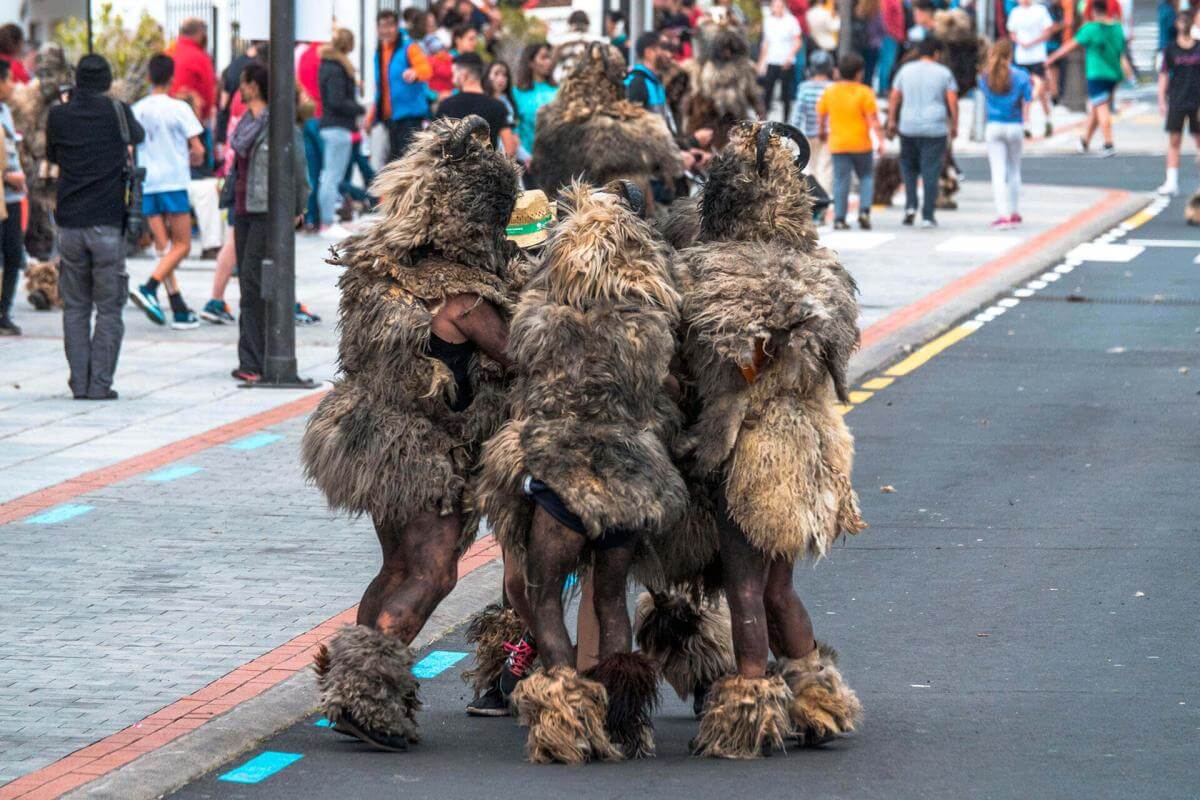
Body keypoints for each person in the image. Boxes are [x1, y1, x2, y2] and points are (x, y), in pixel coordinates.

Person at [302, 115, 522, 753]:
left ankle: (347, 686)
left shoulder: (378, 268)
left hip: (367, 437)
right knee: (434, 572)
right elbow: (521, 357)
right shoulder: (463, 294)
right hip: (424, 451)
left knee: (393, 564)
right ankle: (368, 697)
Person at [477, 180, 685, 763]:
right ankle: (623, 722)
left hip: (563, 474)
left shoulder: (543, 318)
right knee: (612, 599)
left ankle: (567, 718)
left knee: (545, 600)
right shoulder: (645, 322)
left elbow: (523, 372)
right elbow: (666, 386)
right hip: (627, 475)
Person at [675, 121, 865, 759]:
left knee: (745, 586)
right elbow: (837, 360)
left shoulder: (715, 275)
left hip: (752, 448)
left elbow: (730, 366)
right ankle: (817, 699)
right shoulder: (823, 271)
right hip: (810, 446)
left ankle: (751, 703)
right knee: (780, 584)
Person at [46, 54, 145, 400]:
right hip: (107, 224)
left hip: (70, 224)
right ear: (106, 82)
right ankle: (100, 384)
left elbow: (53, 156)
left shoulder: (58, 115)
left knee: (74, 307)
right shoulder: (117, 111)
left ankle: (79, 383)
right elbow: (139, 135)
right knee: (108, 307)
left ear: (76, 80)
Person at [227, 63, 309, 383]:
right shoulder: (246, 122)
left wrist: (299, 206)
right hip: (242, 208)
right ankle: (249, 359)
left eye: (244, 83)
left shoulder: (279, 125)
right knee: (247, 285)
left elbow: (299, 167)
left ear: (254, 87)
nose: (240, 88)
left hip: (266, 211)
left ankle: (258, 359)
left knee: (254, 280)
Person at [129, 54, 205, 329]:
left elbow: (129, 148)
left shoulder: (137, 109)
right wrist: (193, 158)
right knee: (182, 246)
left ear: (149, 76)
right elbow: (197, 149)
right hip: (173, 181)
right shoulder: (179, 108)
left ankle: (178, 306)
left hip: (148, 183)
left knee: (165, 249)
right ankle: (149, 287)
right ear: (172, 78)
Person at [887, 37, 958, 227]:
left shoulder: (905, 70)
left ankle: (910, 206)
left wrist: (892, 121)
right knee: (931, 170)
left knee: (908, 169)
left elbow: (894, 97)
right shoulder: (944, 73)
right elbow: (952, 100)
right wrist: (955, 125)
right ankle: (927, 214)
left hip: (908, 126)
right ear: (936, 53)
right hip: (935, 128)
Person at [1047, 0, 1126, 158]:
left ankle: (1108, 143)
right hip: (1113, 74)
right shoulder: (1117, 28)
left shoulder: (1090, 29)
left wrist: (1051, 58)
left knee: (1101, 108)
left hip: (1096, 73)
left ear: (1094, 11)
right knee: (1098, 108)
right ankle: (1084, 141)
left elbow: (1071, 45)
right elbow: (1122, 50)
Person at [818, 52, 885, 230]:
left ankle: (840, 218)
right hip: (861, 143)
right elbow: (873, 120)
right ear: (859, 73)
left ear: (839, 71)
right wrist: (880, 141)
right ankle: (864, 212)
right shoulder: (865, 92)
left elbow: (821, 114)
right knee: (866, 177)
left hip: (838, 143)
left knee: (841, 180)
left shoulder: (830, 91)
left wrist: (822, 131)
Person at [977, 40, 1032, 228]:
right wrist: (1027, 123)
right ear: (1011, 55)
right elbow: (1027, 101)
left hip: (994, 126)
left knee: (998, 172)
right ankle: (1015, 212)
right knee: (1014, 170)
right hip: (1015, 125)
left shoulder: (985, 77)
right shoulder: (1022, 76)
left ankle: (1003, 215)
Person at [318, 29, 364, 236]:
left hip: (332, 125)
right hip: (337, 126)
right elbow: (337, 100)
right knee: (331, 176)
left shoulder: (328, 65)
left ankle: (328, 220)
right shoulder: (337, 68)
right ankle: (327, 223)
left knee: (330, 175)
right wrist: (360, 109)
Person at [371, 9, 432, 161]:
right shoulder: (379, 52)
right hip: (390, 120)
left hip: (409, 118)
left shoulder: (409, 47)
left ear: (397, 26)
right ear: (378, 29)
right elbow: (382, 89)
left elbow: (426, 70)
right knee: (392, 163)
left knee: (407, 163)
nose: (386, 30)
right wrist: (372, 115)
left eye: (390, 26)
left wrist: (415, 73)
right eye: (382, 26)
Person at [435, 53, 517, 156]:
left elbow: (436, 145)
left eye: (454, 73)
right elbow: (510, 148)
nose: (453, 79)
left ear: (463, 74)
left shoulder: (446, 105)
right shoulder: (498, 106)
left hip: (453, 170)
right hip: (487, 169)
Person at [1155, 7, 1200, 196]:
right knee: (1174, 139)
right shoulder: (1171, 49)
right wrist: (1161, 99)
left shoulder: (1199, 46)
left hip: (1197, 100)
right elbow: (1164, 75)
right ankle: (1171, 181)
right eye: (1181, 21)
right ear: (1176, 24)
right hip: (1177, 99)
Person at [1007, 0, 1057, 137]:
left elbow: (1048, 31)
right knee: (1026, 90)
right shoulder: (1015, 12)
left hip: (1037, 55)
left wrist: (1032, 42)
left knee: (1040, 89)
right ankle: (1027, 123)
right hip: (1022, 57)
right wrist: (1021, 42)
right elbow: (1012, 32)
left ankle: (1046, 119)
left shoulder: (1040, 10)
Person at [0, 60, 24, 335]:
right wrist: (7, 177)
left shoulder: (5, 109)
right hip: (3, 191)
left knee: (13, 253)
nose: (13, 85)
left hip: (13, 197)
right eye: (8, 79)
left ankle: (4, 310)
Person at [791, 49, 835, 193]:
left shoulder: (804, 87)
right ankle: (824, 199)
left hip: (808, 134)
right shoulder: (832, 88)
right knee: (826, 169)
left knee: (811, 168)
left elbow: (798, 114)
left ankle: (812, 199)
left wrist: (792, 133)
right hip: (828, 135)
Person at [758, 0, 803, 122]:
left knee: (786, 94)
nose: (778, 8)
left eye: (780, 6)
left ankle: (786, 120)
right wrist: (762, 62)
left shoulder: (791, 20)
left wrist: (790, 56)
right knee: (768, 92)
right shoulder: (768, 21)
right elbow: (766, 42)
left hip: (786, 61)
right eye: (775, 6)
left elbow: (798, 40)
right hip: (772, 60)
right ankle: (764, 118)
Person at [512, 43, 557, 159]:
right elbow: (512, 128)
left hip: (556, 159)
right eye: (543, 57)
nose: (549, 62)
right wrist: (524, 156)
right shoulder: (516, 93)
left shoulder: (559, 91)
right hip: (525, 160)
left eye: (549, 57)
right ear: (530, 62)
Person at [170, 18, 216, 125]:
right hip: (193, 119)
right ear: (200, 34)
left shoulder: (170, 51)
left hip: (169, 117)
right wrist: (204, 117)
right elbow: (209, 91)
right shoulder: (201, 57)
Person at [552, 10, 605, 82]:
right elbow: (554, 59)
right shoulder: (562, 40)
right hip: (565, 78)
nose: (579, 30)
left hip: (588, 79)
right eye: (576, 27)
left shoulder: (593, 39)